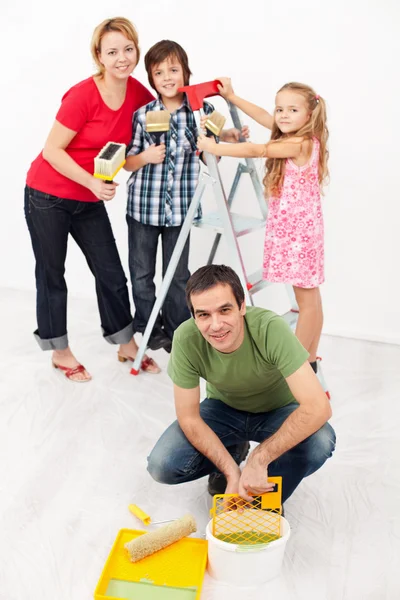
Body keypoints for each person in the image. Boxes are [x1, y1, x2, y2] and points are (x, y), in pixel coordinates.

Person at [24, 17, 161, 382]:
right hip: (47, 194)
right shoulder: (82, 94)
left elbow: (170, 116)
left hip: (88, 197)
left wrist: (222, 131)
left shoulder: (138, 94)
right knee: (52, 274)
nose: (122, 58)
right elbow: (52, 151)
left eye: (128, 49)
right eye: (112, 51)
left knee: (111, 274)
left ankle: (125, 342)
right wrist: (92, 182)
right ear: (99, 56)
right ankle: (60, 352)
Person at [147, 265, 335, 503]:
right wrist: (231, 471)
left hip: (278, 410)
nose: (215, 325)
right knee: (162, 465)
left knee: (320, 442)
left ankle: (264, 496)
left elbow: (319, 407)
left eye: (224, 310)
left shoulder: (270, 328)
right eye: (204, 314)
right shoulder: (185, 338)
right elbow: (189, 418)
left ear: (242, 307)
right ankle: (234, 452)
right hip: (224, 409)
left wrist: (259, 459)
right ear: (194, 316)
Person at [124, 41, 248, 353]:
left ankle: (178, 328)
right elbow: (127, 162)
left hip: (181, 210)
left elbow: (214, 158)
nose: (167, 77)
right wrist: (147, 156)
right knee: (141, 275)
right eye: (159, 72)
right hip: (143, 209)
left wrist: (219, 141)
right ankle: (149, 328)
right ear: (152, 78)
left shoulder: (204, 112)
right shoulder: (142, 115)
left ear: (186, 73)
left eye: (174, 70)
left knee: (178, 276)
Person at [197, 79, 329, 374]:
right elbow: (261, 116)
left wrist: (212, 146)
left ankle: (300, 367)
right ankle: (310, 358)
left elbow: (257, 150)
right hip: (299, 232)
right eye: (279, 108)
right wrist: (233, 97)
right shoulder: (299, 136)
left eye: (292, 110)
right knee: (311, 299)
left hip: (298, 235)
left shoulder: (300, 143)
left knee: (306, 302)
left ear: (309, 115)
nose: (282, 115)